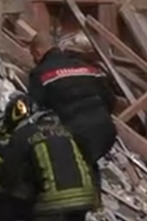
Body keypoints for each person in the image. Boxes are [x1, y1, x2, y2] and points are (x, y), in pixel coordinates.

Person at [26, 36, 117, 168]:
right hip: (106, 130)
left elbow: (36, 108)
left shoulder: (41, 73)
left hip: (75, 131)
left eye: (33, 54)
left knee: (73, 171)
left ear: (39, 52)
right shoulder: (88, 69)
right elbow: (111, 101)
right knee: (88, 167)